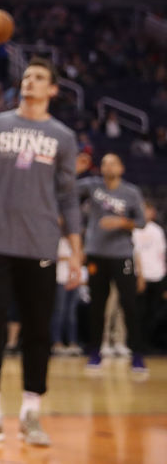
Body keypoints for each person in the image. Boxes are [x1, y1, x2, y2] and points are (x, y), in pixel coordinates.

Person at [0, 57, 82, 448]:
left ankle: (31, 414)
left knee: (38, 331)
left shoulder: (63, 137)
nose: (30, 82)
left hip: (41, 245)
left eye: (40, 78)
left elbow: (69, 198)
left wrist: (75, 252)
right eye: (27, 76)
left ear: (53, 90)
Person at [77, 153, 147, 375]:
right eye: (105, 162)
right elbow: (64, 189)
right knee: (97, 305)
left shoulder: (131, 192)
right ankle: (95, 352)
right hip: (96, 254)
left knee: (129, 305)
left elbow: (142, 222)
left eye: (113, 162)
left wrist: (122, 222)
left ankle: (136, 355)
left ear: (121, 168)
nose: (109, 166)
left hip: (122, 255)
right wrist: (76, 170)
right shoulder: (91, 185)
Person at [133, 204, 165, 352]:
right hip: (140, 276)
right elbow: (135, 253)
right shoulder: (134, 228)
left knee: (154, 312)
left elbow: (162, 254)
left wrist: (164, 281)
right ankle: (137, 344)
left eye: (149, 209)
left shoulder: (157, 230)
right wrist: (140, 275)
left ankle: (148, 344)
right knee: (139, 312)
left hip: (157, 276)